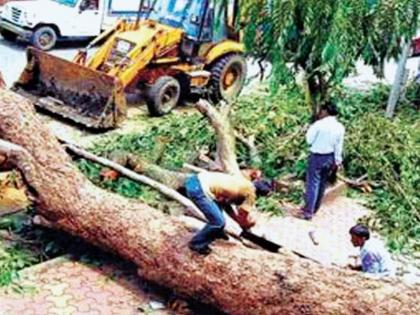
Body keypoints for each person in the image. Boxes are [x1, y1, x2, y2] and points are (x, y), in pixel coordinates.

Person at [184, 170, 274, 255]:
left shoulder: (244, 184)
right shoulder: (251, 193)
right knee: (218, 221)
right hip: (199, 188)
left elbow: (225, 205)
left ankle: (216, 232)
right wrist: (246, 225)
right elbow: (242, 216)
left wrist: (238, 221)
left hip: (195, 180)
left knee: (218, 215)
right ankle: (196, 244)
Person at [301, 102, 345, 220]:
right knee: (322, 183)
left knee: (312, 183)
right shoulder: (340, 127)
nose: (320, 113)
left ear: (325, 111)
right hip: (330, 157)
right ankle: (315, 208)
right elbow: (338, 146)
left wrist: (306, 131)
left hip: (317, 156)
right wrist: (337, 161)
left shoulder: (318, 125)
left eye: (321, 111)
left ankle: (308, 211)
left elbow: (309, 141)